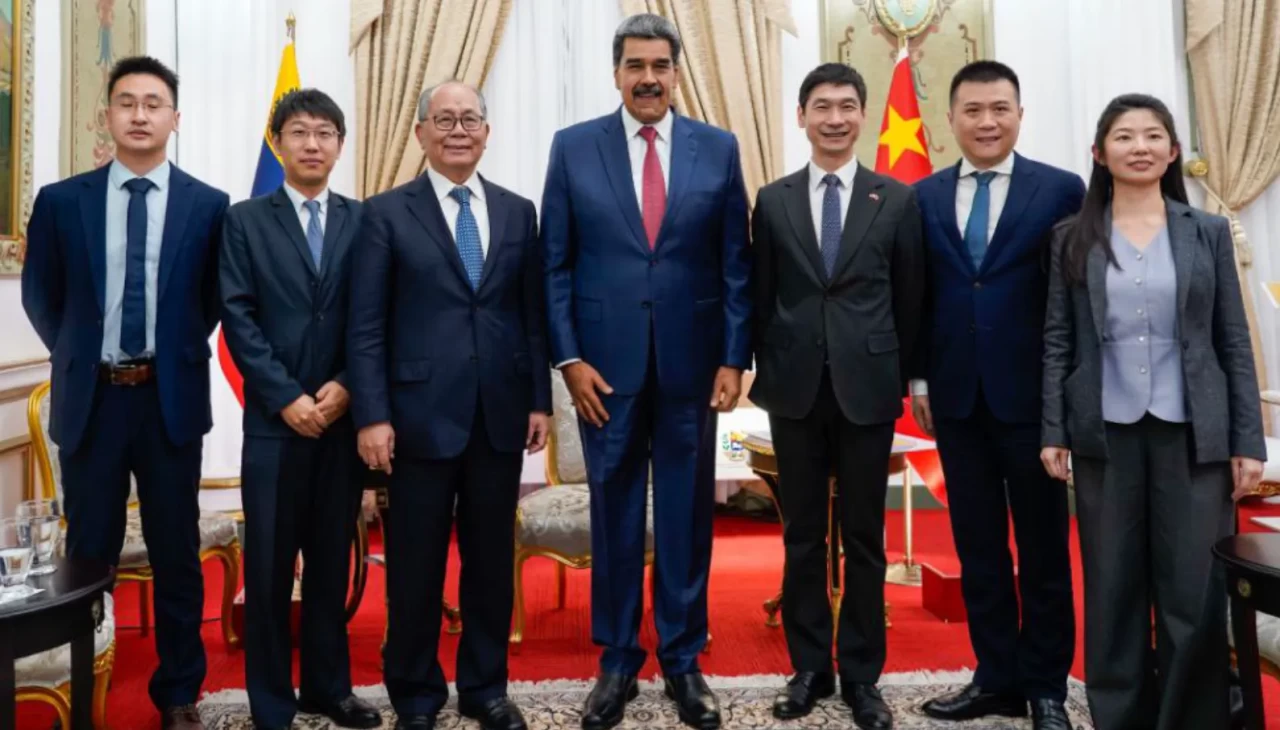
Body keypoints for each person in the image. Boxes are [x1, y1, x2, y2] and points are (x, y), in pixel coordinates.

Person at [540, 13, 751, 730]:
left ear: (678, 72)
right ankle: (618, 659)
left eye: (661, 65)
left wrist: (734, 356)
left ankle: (684, 660)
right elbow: (555, 264)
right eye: (636, 65)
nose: (649, 78)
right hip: (604, 373)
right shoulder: (573, 148)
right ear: (616, 73)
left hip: (693, 367)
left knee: (689, 515)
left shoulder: (718, 148)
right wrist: (569, 359)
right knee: (615, 512)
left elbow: (735, 262)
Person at [1041, 93, 1265, 730]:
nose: (1138, 147)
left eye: (1152, 136)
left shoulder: (1206, 232)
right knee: (1112, 585)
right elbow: (1058, 338)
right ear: (1099, 153)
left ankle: (1191, 717)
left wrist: (1247, 439)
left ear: (1171, 151)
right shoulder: (1071, 236)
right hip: (1104, 434)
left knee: (1193, 587)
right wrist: (1054, 428)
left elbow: (1232, 339)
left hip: (1195, 435)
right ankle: (1118, 717)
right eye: (1123, 136)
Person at [20, 56, 228, 730]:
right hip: (94, 401)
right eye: (127, 102)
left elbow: (210, 301)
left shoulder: (208, 205)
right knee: (88, 555)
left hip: (169, 402)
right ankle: (82, 684)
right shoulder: (62, 202)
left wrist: (170, 354)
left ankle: (179, 696)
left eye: (153, 103)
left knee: (176, 554)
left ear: (175, 118)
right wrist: (80, 354)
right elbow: (41, 295)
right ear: (106, 115)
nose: (140, 115)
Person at [348, 80, 550, 730]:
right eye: (444, 120)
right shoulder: (385, 213)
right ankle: (414, 694)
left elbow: (531, 315)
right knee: (415, 566)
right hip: (415, 421)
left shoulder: (518, 212)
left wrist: (539, 400)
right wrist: (372, 414)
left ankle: (485, 689)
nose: (458, 130)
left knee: (490, 563)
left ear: (486, 132)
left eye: (469, 119)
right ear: (420, 133)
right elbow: (366, 325)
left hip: (499, 416)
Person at [748, 62, 923, 730]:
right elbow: (763, 296)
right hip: (794, 390)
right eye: (821, 106)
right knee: (801, 538)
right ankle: (809, 668)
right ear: (801, 116)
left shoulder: (895, 199)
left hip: (867, 388)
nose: (835, 118)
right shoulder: (774, 200)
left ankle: (862, 675)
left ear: (863, 115)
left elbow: (909, 298)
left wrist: (901, 373)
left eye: (847, 106)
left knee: (864, 537)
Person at [909, 61, 1082, 730]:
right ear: (951, 119)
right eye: (973, 110)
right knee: (978, 549)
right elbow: (918, 297)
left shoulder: (1060, 190)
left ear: (1019, 114)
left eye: (999, 109)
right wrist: (920, 378)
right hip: (956, 399)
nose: (987, 122)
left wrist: (1066, 400)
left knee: (1043, 550)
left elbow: (1075, 299)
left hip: (1034, 402)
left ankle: (1045, 687)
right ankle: (995, 677)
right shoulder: (922, 197)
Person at [219, 88, 379, 730]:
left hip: (341, 421)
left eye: (324, 133)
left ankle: (328, 688)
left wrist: (347, 386)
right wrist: (285, 396)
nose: (312, 144)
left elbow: (376, 314)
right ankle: (271, 701)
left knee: (331, 562)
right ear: (278, 143)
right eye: (299, 132)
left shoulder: (365, 220)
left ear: (340, 145)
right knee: (269, 566)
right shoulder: (244, 221)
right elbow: (237, 316)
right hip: (273, 424)